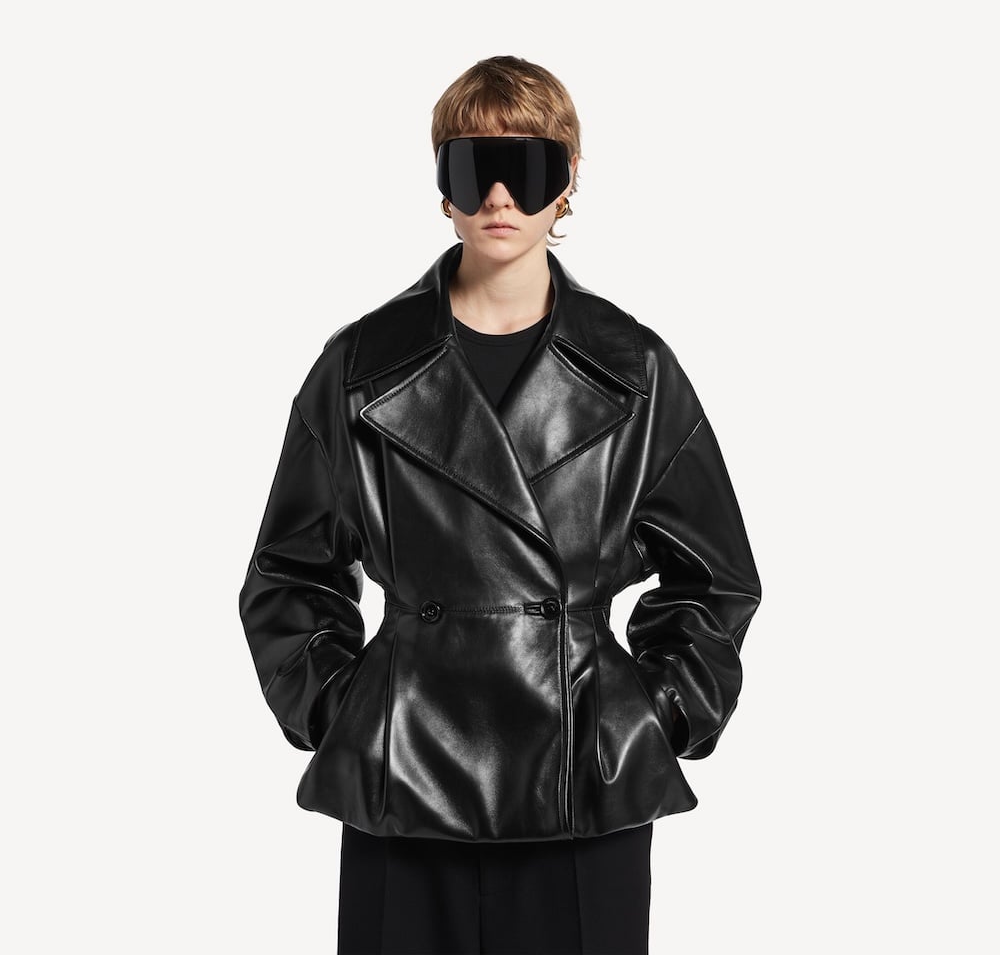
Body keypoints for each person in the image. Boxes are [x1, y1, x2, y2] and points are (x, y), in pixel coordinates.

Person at [238, 55, 763, 955]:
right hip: (406, 781)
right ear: (440, 184)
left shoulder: (633, 369)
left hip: (582, 783)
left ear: (568, 183)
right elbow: (288, 573)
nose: (498, 196)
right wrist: (347, 712)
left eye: (526, 167)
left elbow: (715, 579)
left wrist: (654, 715)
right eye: (471, 166)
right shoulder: (360, 367)